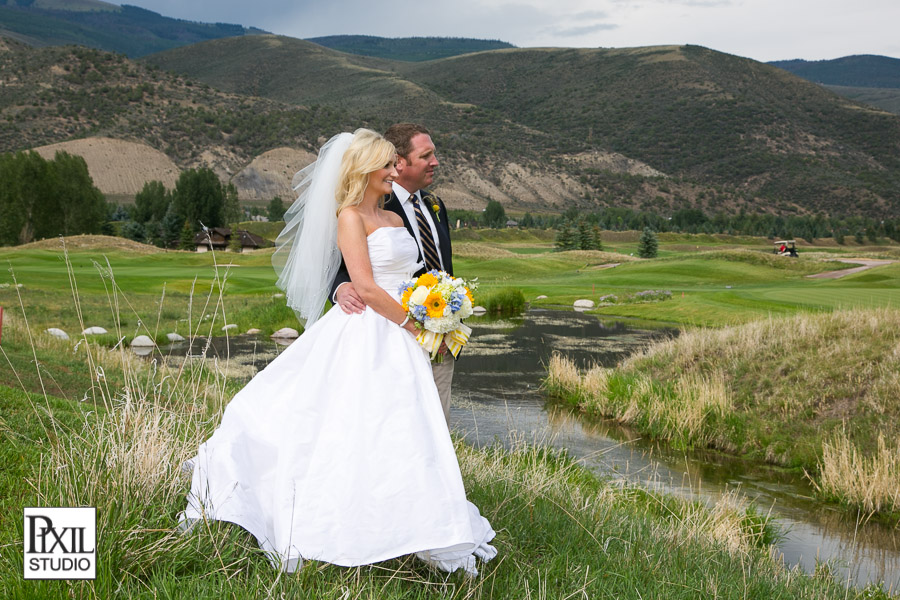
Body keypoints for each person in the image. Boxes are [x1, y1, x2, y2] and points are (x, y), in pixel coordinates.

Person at [180, 129, 497, 575]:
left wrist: (436, 307)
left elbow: (413, 275)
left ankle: (411, 522)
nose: (394, 172)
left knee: (403, 432)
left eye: (394, 163)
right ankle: (343, 521)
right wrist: (414, 325)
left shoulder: (393, 217)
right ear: (366, 169)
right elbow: (364, 283)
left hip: (404, 334)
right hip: (373, 333)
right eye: (386, 166)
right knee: (351, 427)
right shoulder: (349, 216)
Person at [331, 123, 455, 425]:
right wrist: (338, 288)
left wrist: (448, 311)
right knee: (386, 414)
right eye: (426, 155)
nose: (435, 162)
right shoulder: (358, 211)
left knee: (434, 416)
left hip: (438, 328)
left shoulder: (430, 205)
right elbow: (339, 262)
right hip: (384, 326)